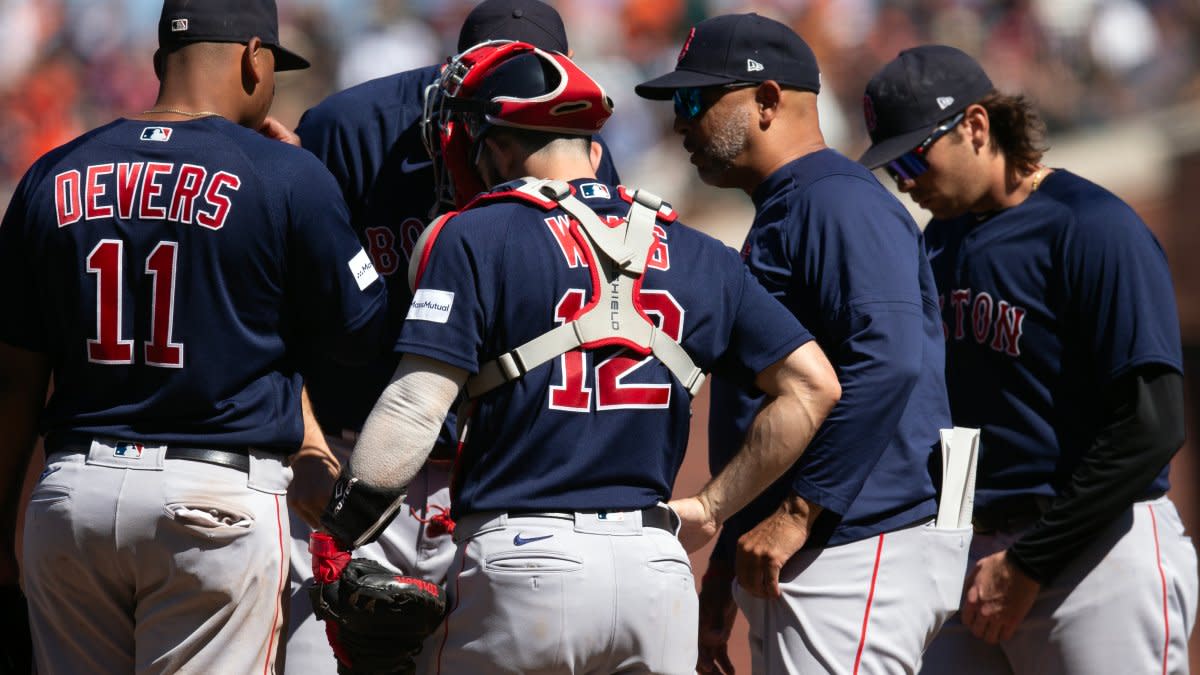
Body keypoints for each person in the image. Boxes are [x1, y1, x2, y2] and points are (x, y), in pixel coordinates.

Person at [308, 38, 843, 675]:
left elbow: (416, 405)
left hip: (521, 561)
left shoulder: (471, 233)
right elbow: (814, 386)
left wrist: (341, 533)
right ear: (594, 148)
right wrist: (709, 508)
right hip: (655, 568)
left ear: (489, 140)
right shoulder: (700, 250)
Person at [0, 0, 387, 672]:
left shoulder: (50, 173)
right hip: (210, 504)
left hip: (72, 496)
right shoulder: (284, 174)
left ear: (159, 64)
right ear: (251, 58)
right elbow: (364, 336)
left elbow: (13, 380)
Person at [275, 1, 623, 672]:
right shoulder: (351, 132)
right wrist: (311, 445)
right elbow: (277, 304)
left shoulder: (573, 150)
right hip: (351, 461)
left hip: (495, 482)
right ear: (446, 77)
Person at [637, 14, 971, 674]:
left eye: (697, 99)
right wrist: (732, 547)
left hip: (856, 535)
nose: (682, 122)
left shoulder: (834, 200)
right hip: (822, 542)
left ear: (767, 101)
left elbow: (889, 358)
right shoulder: (797, 202)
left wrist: (795, 512)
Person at [858, 44, 1199, 674]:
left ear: (977, 126)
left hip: (1095, 552)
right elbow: (957, 418)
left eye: (912, 156)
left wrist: (1029, 562)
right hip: (976, 558)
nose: (905, 179)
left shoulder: (1092, 227)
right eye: (890, 166)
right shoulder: (941, 243)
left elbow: (1153, 425)